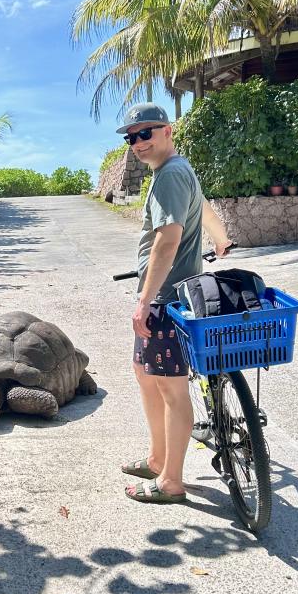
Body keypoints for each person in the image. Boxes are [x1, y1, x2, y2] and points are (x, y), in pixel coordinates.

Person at [116, 103, 232, 504]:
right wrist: (221, 238)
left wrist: (145, 301)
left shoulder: (169, 175)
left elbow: (167, 240)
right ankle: (157, 456)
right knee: (143, 372)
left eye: (145, 134)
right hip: (165, 295)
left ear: (168, 131)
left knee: (171, 389)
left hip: (166, 297)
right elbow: (203, 207)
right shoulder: (179, 169)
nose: (137, 143)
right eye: (131, 137)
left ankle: (171, 481)